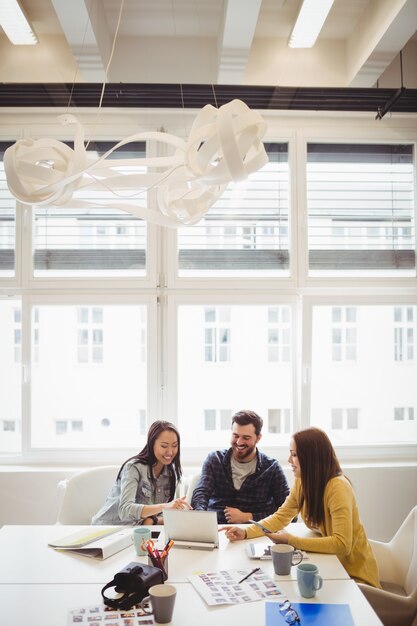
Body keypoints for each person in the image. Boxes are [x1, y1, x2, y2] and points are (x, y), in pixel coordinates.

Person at [223, 427, 381, 588]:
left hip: (354, 578)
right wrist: (246, 532)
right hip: (331, 570)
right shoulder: (303, 482)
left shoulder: (338, 487)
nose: (289, 460)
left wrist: (292, 541)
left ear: (311, 458)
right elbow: (281, 516)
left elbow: (342, 544)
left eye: (294, 455)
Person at [191, 410, 290, 524]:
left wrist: (248, 517)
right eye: (235, 435)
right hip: (217, 527)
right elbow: (201, 494)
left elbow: (289, 513)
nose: (239, 442)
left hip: (254, 532)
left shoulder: (272, 468)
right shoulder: (214, 460)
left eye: (246, 438)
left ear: (258, 438)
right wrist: (202, 518)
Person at [92, 420, 191, 525]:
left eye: (175, 445)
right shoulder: (133, 468)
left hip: (135, 530)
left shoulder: (169, 473)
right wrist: (165, 506)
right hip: (107, 529)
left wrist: (153, 520)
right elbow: (125, 510)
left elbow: (160, 515)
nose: (170, 452)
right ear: (152, 444)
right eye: (164, 446)